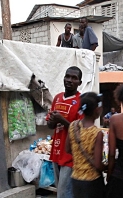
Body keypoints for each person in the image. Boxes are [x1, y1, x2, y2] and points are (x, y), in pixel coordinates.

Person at [46, 66, 82, 198]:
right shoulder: (57, 98)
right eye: (67, 76)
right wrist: (53, 120)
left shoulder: (81, 101)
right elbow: (50, 125)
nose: (69, 80)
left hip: (70, 155)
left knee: (63, 194)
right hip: (56, 152)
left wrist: (62, 119)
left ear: (80, 82)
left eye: (74, 78)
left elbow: (81, 130)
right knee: (61, 192)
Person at [65, 92, 106, 198]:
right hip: (92, 181)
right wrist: (107, 166)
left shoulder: (73, 126)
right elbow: (98, 165)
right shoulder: (97, 133)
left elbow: (67, 149)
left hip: (76, 178)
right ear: (97, 110)